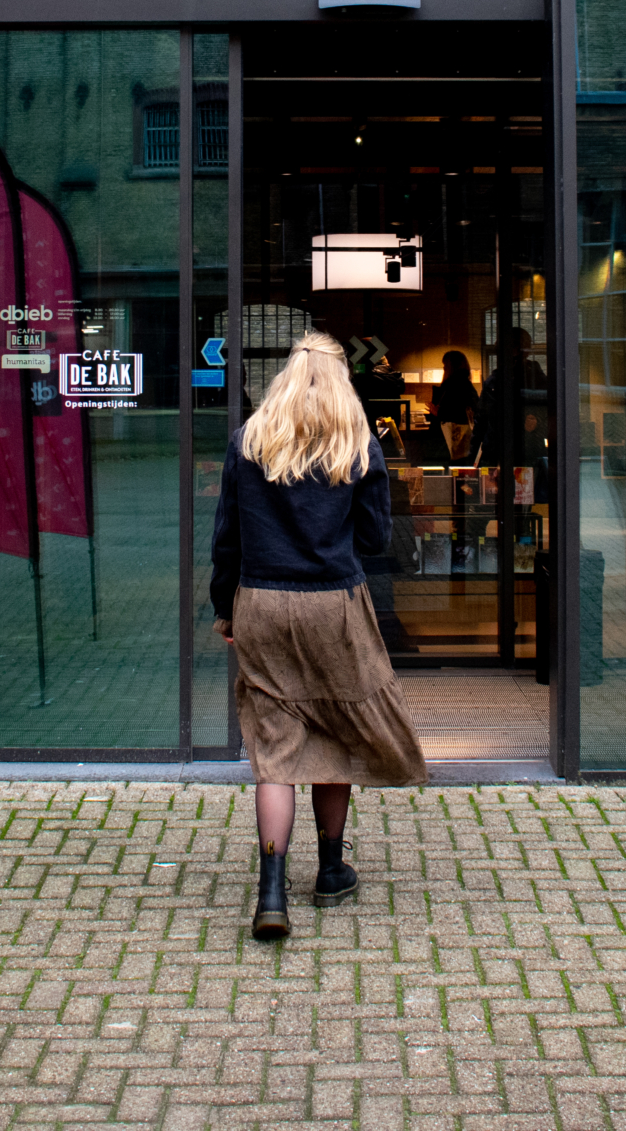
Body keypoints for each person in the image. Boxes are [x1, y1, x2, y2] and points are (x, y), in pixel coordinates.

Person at [211, 332, 429, 941]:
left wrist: (226, 610)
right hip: (333, 604)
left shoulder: (246, 444)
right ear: (342, 383)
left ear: (285, 377)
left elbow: (226, 542)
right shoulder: (358, 447)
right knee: (335, 727)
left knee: (276, 747)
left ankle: (271, 893)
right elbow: (375, 540)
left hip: (260, 600)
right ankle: (330, 871)